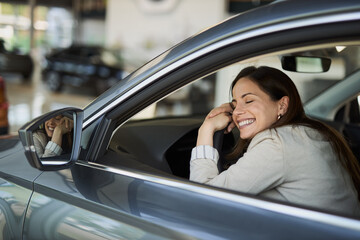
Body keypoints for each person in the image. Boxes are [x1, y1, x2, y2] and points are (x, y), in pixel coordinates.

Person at [190, 66, 360, 216]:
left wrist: (205, 130)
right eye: (234, 105)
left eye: (249, 101)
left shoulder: (276, 143)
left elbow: (202, 202)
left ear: (282, 105)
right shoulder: (310, 133)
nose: (237, 112)